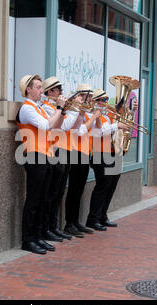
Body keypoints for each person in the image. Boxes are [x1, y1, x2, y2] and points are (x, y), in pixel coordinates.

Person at [16, 74, 66, 254]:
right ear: (28, 90)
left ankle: (38, 236)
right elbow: (46, 126)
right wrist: (59, 107)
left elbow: (57, 125)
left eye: (40, 87)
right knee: (34, 200)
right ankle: (28, 239)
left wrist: (62, 110)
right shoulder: (27, 108)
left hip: (45, 155)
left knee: (43, 199)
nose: (40, 90)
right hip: (34, 156)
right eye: (37, 87)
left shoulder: (38, 108)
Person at [40, 76, 79, 242]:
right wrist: (69, 109)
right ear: (51, 92)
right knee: (51, 193)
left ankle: (53, 226)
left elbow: (76, 127)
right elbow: (64, 126)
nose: (62, 93)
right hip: (54, 150)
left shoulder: (57, 108)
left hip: (63, 150)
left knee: (58, 192)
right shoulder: (48, 108)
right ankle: (47, 227)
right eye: (59, 90)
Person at [85, 89, 130, 231]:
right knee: (102, 186)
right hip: (99, 154)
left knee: (111, 186)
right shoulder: (94, 115)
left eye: (106, 99)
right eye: (103, 100)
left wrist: (131, 112)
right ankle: (93, 219)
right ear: (96, 102)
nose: (106, 102)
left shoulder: (107, 115)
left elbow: (123, 120)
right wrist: (117, 125)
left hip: (111, 152)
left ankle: (102, 215)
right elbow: (100, 131)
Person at [64, 84, 102, 238]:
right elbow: (78, 132)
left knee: (79, 189)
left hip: (85, 152)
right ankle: (69, 223)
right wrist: (92, 116)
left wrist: (96, 117)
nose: (91, 99)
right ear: (81, 96)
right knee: (73, 189)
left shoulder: (86, 113)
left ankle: (76, 221)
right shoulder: (75, 111)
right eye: (89, 96)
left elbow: (98, 132)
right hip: (76, 151)